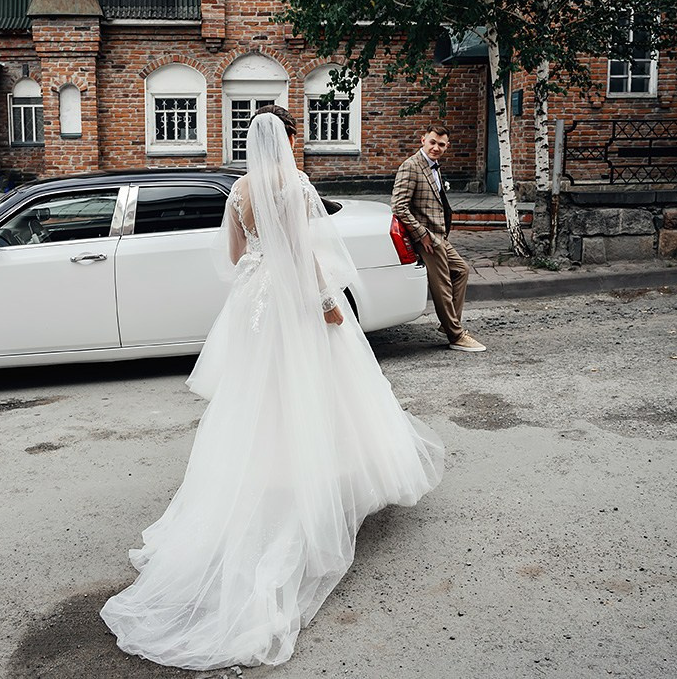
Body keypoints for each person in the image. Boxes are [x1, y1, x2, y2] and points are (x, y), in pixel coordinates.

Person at [100, 106, 444, 670]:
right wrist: (329, 301)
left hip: (255, 302)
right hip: (294, 301)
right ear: (282, 139)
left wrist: (261, 269)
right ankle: (318, 482)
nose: (295, 143)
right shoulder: (295, 183)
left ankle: (270, 472)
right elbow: (306, 253)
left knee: (261, 395)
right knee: (320, 384)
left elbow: (237, 255)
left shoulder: (239, 189)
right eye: (293, 134)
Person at [391, 125, 487, 352]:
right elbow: (399, 206)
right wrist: (422, 234)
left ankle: (447, 324)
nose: (436, 148)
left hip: (439, 234)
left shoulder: (434, 166)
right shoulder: (411, 166)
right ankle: (456, 335)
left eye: (441, 145)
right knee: (442, 284)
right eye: (432, 142)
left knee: (461, 270)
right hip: (426, 237)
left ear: (447, 146)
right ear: (423, 139)